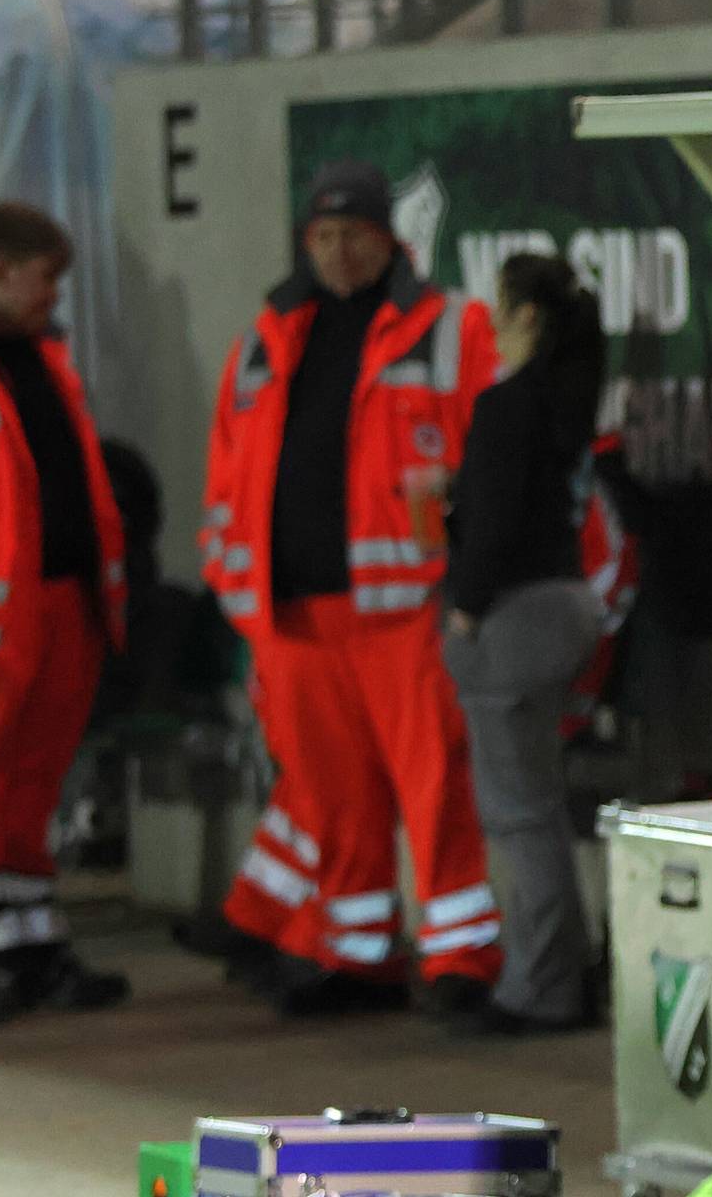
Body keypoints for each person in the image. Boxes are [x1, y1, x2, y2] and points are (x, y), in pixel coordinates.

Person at [195, 161, 505, 1017]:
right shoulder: (264, 340)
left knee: (436, 789)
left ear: (388, 239)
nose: (338, 252)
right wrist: (230, 580)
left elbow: (489, 458)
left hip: (407, 612)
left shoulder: (450, 328)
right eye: (324, 237)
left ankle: (461, 960)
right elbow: (224, 476)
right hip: (291, 615)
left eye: (356, 235)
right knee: (335, 799)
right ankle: (357, 955)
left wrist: (468, 582)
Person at [440, 252, 606, 1037]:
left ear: (527, 315)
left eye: (499, 304)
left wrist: (465, 610)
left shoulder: (508, 405)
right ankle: (561, 973)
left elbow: (494, 521)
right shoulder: (568, 401)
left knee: (518, 815)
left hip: (513, 617)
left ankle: (540, 988)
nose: (489, 318)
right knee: (537, 808)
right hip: (567, 604)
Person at [0, 201, 129, 1022]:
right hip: (6, 613)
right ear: (1, 272)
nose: (54, 295)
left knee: (31, 785)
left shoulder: (45, 359)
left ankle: (30, 945)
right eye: (44, 279)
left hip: (60, 603)